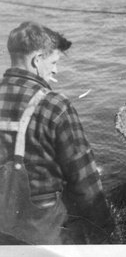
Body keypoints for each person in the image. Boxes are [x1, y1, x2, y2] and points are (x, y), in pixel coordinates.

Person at [0, 21, 114, 244]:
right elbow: (85, 182)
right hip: (44, 235)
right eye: (53, 62)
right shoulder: (55, 105)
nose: (55, 70)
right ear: (37, 60)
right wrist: (105, 230)